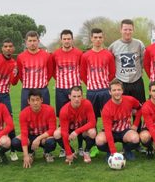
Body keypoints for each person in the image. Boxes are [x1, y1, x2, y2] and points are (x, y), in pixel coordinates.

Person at [109, 19, 146, 152]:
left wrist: (137, 73)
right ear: (121, 30)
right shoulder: (113, 46)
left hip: (137, 81)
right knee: (123, 113)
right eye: (125, 29)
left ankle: (137, 143)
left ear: (133, 30)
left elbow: (143, 61)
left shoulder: (139, 44)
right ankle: (123, 140)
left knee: (138, 111)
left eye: (130, 29)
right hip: (122, 83)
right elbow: (110, 63)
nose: (127, 32)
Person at [80, 28, 115, 157]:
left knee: (108, 120)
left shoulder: (108, 55)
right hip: (91, 92)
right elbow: (83, 74)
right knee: (91, 121)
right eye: (95, 37)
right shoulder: (86, 55)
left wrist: (104, 84)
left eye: (100, 37)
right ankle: (91, 146)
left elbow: (112, 73)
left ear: (103, 38)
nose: (98, 40)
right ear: (91, 38)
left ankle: (107, 147)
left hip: (105, 91)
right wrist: (91, 85)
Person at [52, 29, 83, 158]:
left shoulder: (79, 53)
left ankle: (81, 147)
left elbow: (82, 69)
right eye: (64, 39)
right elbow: (52, 71)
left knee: (80, 118)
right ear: (61, 40)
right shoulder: (55, 54)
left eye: (68, 38)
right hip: (61, 89)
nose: (66, 41)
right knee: (62, 118)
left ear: (72, 39)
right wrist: (60, 81)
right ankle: (66, 148)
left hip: (75, 89)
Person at [95, 79, 141, 161]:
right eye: (114, 90)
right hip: (111, 132)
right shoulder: (106, 108)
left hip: (125, 131)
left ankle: (126, 150)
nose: (117, 92)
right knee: (99, 140)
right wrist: (114, 152)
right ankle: (109, 152)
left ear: (122, 90)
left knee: (135, 138)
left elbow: (140, 109)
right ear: (110, 92)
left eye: (119, 90)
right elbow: (108, 131)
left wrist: (135, 124)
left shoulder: (130, 100)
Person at [11, 89, 57, 168]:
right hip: (30, 136)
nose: (35, 103)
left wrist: (38, 138)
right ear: (28, 101)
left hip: (44, 137)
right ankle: (30, 153)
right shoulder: (23, 113)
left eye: (37, 100)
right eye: (32, 100)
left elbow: (52, 130)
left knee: (51, 142)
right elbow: (24, 134)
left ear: (41, 100)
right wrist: (25, 155)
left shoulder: (49, 110)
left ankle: (47, 152)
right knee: (15, 142)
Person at [53, 86, 96, 164]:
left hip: (82, 128)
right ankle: (72, 152)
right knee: (56, 134)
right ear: (69, 96)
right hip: (69, 129)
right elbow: (64, 132)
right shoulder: (64, 110)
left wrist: (77, 131)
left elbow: (92, 122)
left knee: (92, 132)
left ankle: (86, 152)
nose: (77, 99)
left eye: (79, 96)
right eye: (74, 96)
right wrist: (69, 152)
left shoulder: (87, 104)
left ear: (82, 96)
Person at [17, 31, 53, 110]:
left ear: (38, 41)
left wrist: (43, 82)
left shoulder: (47, 55)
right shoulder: (20, 57)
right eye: (30, 41)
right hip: (27, 90)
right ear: (26, 42)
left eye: (34, 40)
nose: (32, 43)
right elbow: (20, 75)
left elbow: (50, 72)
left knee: (45, 113)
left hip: (42, 90)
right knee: (25, 114)